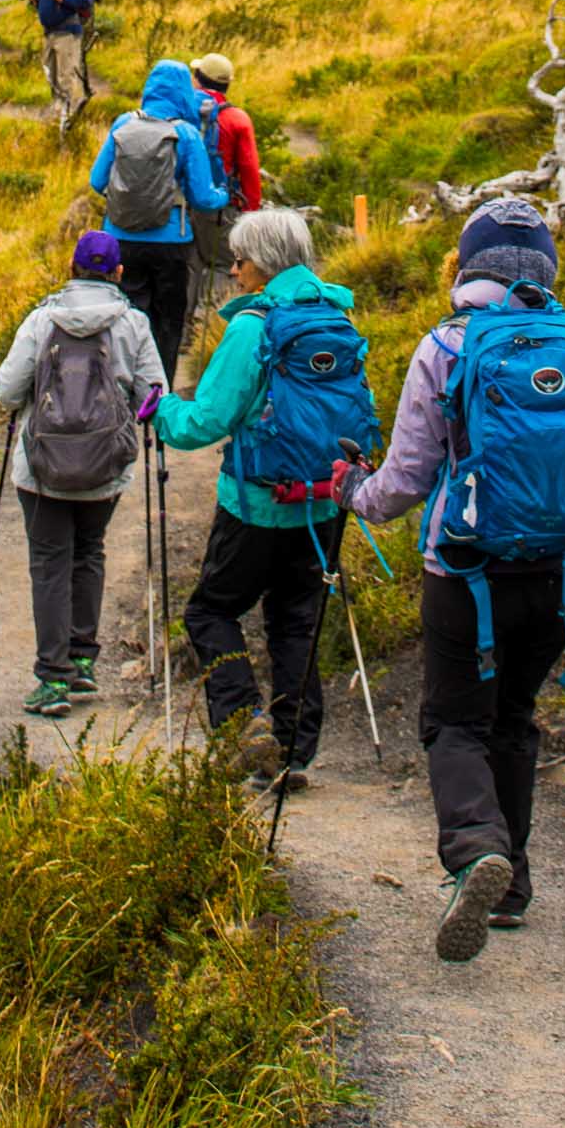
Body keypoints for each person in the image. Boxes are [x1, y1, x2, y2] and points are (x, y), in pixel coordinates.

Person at [334, 196, 565, 962]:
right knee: (513, 716)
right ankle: (510, 888)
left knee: (454, 721)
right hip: (560, 571)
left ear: (465, 264)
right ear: (546, 267)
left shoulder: (444, 345)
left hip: (464, 570)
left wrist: (354, 491)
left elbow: (406, 478)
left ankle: (477, 849)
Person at [149, 206, 365, 787]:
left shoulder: (254, 326)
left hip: (257, 502)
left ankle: (244, 726)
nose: (234, 272)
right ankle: (293, 752)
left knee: (210, 611)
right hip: (323, 499)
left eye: (239, 261)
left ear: (263, 266)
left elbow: (208, 420)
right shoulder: (335, 314)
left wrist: (162, 410)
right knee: (295, 622)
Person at [0, 229, 166, 719]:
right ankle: (83, 661)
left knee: (49, 563)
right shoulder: (134, 324)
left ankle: (52, 680)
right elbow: (155, 395)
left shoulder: (41, 320)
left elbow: (6, 391)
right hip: (103, 467)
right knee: (89, 552)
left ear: (71, 269)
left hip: (42, 469)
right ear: (118, 274)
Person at [88, 59, 229, 384]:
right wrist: (223, 193)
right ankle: (159, 392)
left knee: (126, 318)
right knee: (168, 323)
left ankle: (123, 387)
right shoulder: (186, 134)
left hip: (121, 241)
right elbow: (203, 199)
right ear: (183, 92)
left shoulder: (123, 123)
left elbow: (97, 181)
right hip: (171, 244)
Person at [183, 51, 263, 349]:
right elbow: (249, 171)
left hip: (183, 206)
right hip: (222, 207)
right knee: (226, 266)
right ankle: (219, 337)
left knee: (191, 265)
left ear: (198, 78)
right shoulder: (237, 119)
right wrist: (251, 213)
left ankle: (183, 335)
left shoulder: (183, 111)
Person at [28, 0, 94, 137]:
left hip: (67, 34)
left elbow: (86, 1)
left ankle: (67, 115)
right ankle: (58, 111)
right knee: (51, 73)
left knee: (66, 74)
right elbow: (45, 4)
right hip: (50, 34)